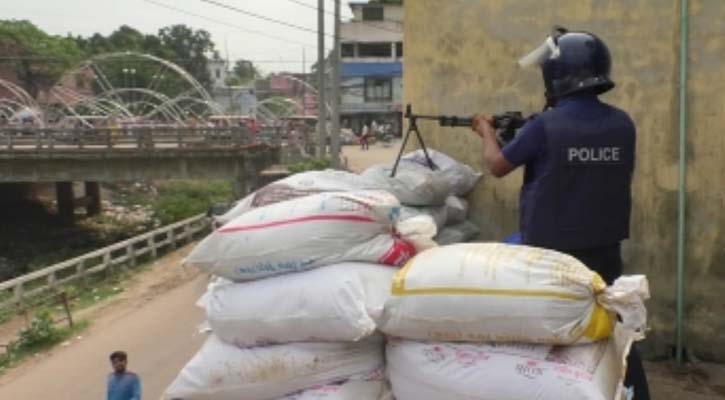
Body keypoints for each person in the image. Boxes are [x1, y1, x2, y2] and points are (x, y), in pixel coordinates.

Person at [472, 28, 650, 399]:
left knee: (548, 332)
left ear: (555, 76)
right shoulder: (623, 124)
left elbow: (497, 165)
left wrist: (487, 131)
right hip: (604, 249)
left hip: (551, 255)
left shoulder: (544, 126)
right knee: (614, 327)